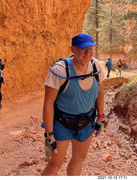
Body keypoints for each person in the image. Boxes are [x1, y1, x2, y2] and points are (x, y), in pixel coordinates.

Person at [41, 33, 105, 176]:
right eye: (83, 49)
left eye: (91, 49)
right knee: (55, 164)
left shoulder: (96, 66)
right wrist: (48, 134)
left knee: (79, 159)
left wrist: (100, 117)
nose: (88, 53)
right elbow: (48, 103)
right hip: (62, 124)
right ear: (73, 49)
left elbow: (100, 93)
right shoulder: (59, 70)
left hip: (86, 123)